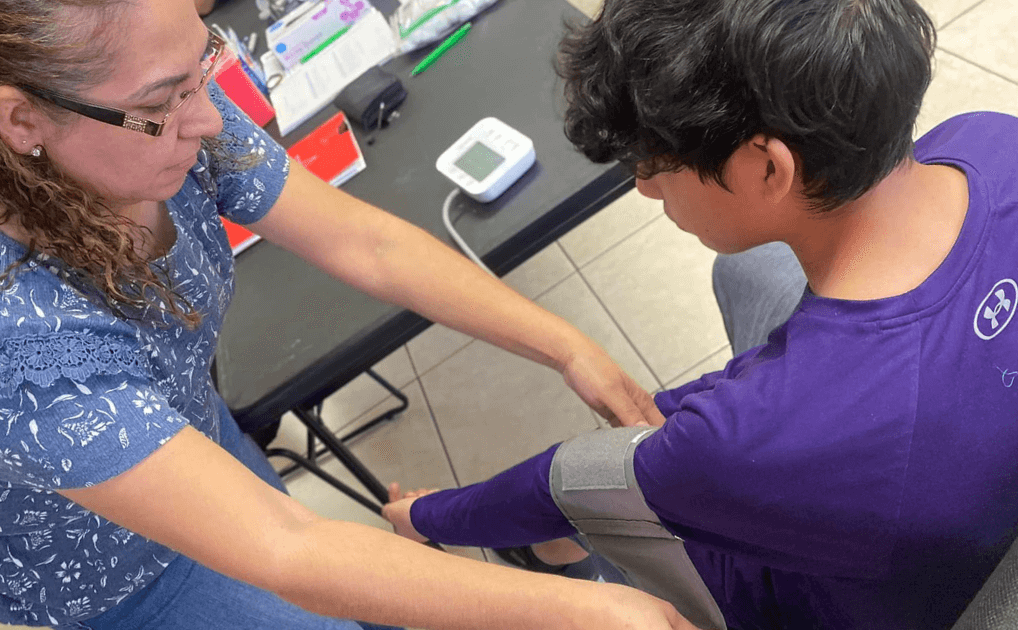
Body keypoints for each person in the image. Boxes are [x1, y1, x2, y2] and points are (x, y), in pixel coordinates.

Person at [0, 0, 694, 628]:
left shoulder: (162, 129)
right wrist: (589, 613)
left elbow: (370, 246)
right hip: (114, 573)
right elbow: (285, 547)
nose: (208, 119)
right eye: (166, 101)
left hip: (187, 428)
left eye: (199, 70)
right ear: (20, 118)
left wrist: (566, 346)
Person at [382, 0, 1018, 628]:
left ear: (766, 165)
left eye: (656, 161)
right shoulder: (991, 137)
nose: (644, 185)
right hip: (956, 505)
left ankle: (555, 556)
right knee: (743, 273)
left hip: (832, 600)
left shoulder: (748, 437)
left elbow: (560, 482)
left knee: (589, 514)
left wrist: (428, 516)